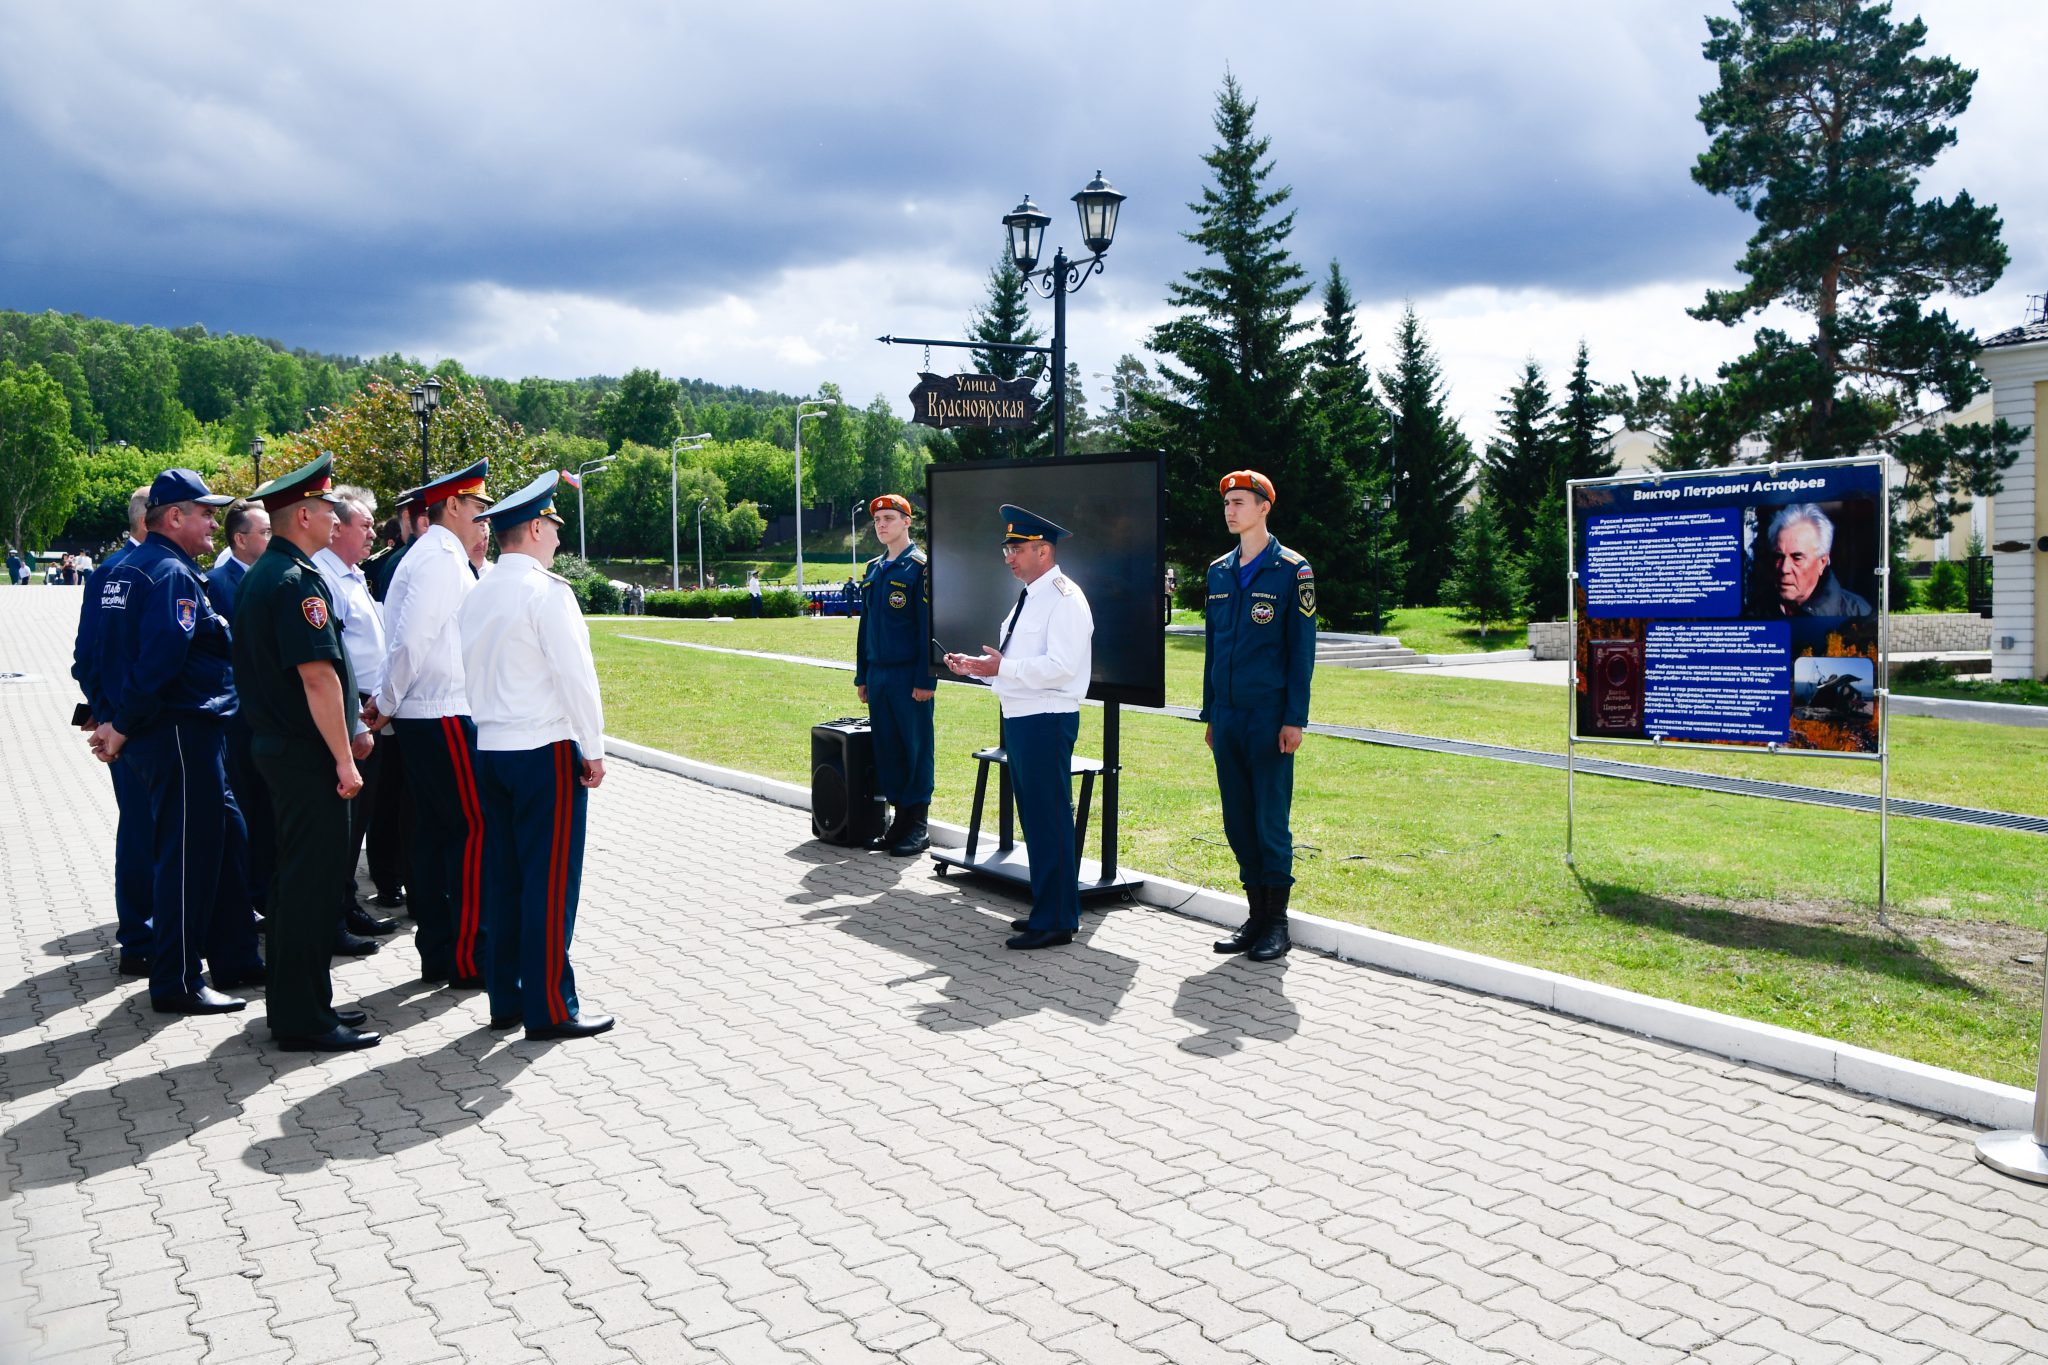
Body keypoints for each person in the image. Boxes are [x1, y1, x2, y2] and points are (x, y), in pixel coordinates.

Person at [88, 469, 265, 1014]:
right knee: (186, 859)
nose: (214, 522)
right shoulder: (169, 574)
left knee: (216, 842)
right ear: (173, 517)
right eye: (205, 512)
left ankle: (233, 958)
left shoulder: (123, 571)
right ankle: (177, 982)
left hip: (159, 733)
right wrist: (119, 724)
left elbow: (91, 657)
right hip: (180, 732)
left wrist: (111, 717)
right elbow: (161, 660)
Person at [458, 471, 614, 1040]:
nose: (556, 535)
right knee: (549, 883)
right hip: (542, 749)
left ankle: (506, 997)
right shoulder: (547, 592)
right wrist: (592, 747)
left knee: (504, 876)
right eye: (551, 525)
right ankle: (550, 1007)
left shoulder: (479, 592)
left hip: (492, 745)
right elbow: (576, 678)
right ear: (531, 529)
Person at [235, 453, 380, 1052]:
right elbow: (318, 677)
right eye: (324, 508)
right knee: (310, 884)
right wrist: (345, 759)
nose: (331, 516)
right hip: (305, 755)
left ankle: (304, 1002)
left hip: (282, 748)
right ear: (302, 516)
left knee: (299, 881)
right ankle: (303, 1017)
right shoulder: (295, 582)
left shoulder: (268, 573)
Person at [944, 505, 1093, 950]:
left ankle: (1060, 919)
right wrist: (978, 668)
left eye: (1017, 548)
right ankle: (1046, 909)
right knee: (1037, 821)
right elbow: (1012, 666)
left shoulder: (1065, 598)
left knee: (1049, 821)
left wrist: (1003, 667)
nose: (1008, 556)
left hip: (1047, 719)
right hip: (1023, 718)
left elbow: (1061, 668)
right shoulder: (1030, 595)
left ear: (1043, 551)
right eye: (1006, 548)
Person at [372, 459, 493, 988]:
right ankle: (466, 958)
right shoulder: (442, 557)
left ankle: (441, 950)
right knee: (470, 832)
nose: (482, 519)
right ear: (452, 506)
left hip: (428, 713)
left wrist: (389, 701)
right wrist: (388, 700)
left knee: (437, 834)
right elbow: (412, 640)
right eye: (477, 508)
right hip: (441, 712)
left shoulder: (430, 555)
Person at [1201, 470, 1315, 962]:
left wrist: (1295, 718)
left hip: (1269, 717)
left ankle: (1277, 923)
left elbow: (1301, 651)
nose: (1231, 510)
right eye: (1227, 502)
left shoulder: (1293, 570)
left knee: (1270, 819)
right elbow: (1213, 648)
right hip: (1227, 717)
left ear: (1264, 507)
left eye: (1241, 502)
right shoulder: (1219, 571)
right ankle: (1254, 915)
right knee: (1237, 821)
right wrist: (1209, 713)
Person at [205, 500, 297, 950]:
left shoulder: (272, 578)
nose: (270, 538)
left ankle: (262, 893)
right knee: (247, 812)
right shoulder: (218, 584)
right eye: (263, 532)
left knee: (266, 813)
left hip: (265, 719)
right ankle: (248, 901)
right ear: (240, 539)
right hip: (237, 721)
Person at [71, 487, 155, 974]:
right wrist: (106, 719)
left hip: (152, 725)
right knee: (142, 829)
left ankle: (164, 928)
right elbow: (88, 657)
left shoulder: (160, 564)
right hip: (130, 727)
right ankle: (139, 937)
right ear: (151, 520)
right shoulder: (114, 571)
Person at [315, 487, 401, 941]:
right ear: (337, 528)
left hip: (369, 709)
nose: (373, 532)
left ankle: (346, 904)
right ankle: (333, 917)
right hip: (354, 711)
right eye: (364, 525)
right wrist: (352, 723)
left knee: (360, 822)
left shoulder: (351, 574)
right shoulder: (327, 578)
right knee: (345, 827)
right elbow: (333, 660)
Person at [854, 494, 936, 856]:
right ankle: (898, 823)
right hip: (880, 676)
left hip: (909, 677)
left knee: (915, 748)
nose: (882, 525)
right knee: (888, 749)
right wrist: (862, 675)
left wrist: (926, 679)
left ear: (907, 522)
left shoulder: (920, 568)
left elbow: (926, 630)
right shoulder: (874, 568)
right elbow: (866, 626)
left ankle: (917, 825)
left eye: (889, 517)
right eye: (877, 520)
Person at [1758, 503, 1873, 618]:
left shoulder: (1857, 612)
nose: (1784, 569)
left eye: (1797, 558)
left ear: (1822, 562)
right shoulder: (1757, 609)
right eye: (1779, 556)